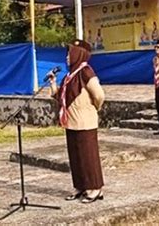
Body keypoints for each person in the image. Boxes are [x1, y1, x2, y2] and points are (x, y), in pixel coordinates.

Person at [49, 39, 105, 203]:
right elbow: (60, 96)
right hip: (71, 122)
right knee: (76, 157)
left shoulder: (86, 72)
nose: (67, 57)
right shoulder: (69, 76)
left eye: (69, 53)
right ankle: (80, 186)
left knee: (88, 156)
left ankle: (95, 188)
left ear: (78, 54)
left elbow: (99, 95)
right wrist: (52, 82)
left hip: (85, 122)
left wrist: (93, 107)